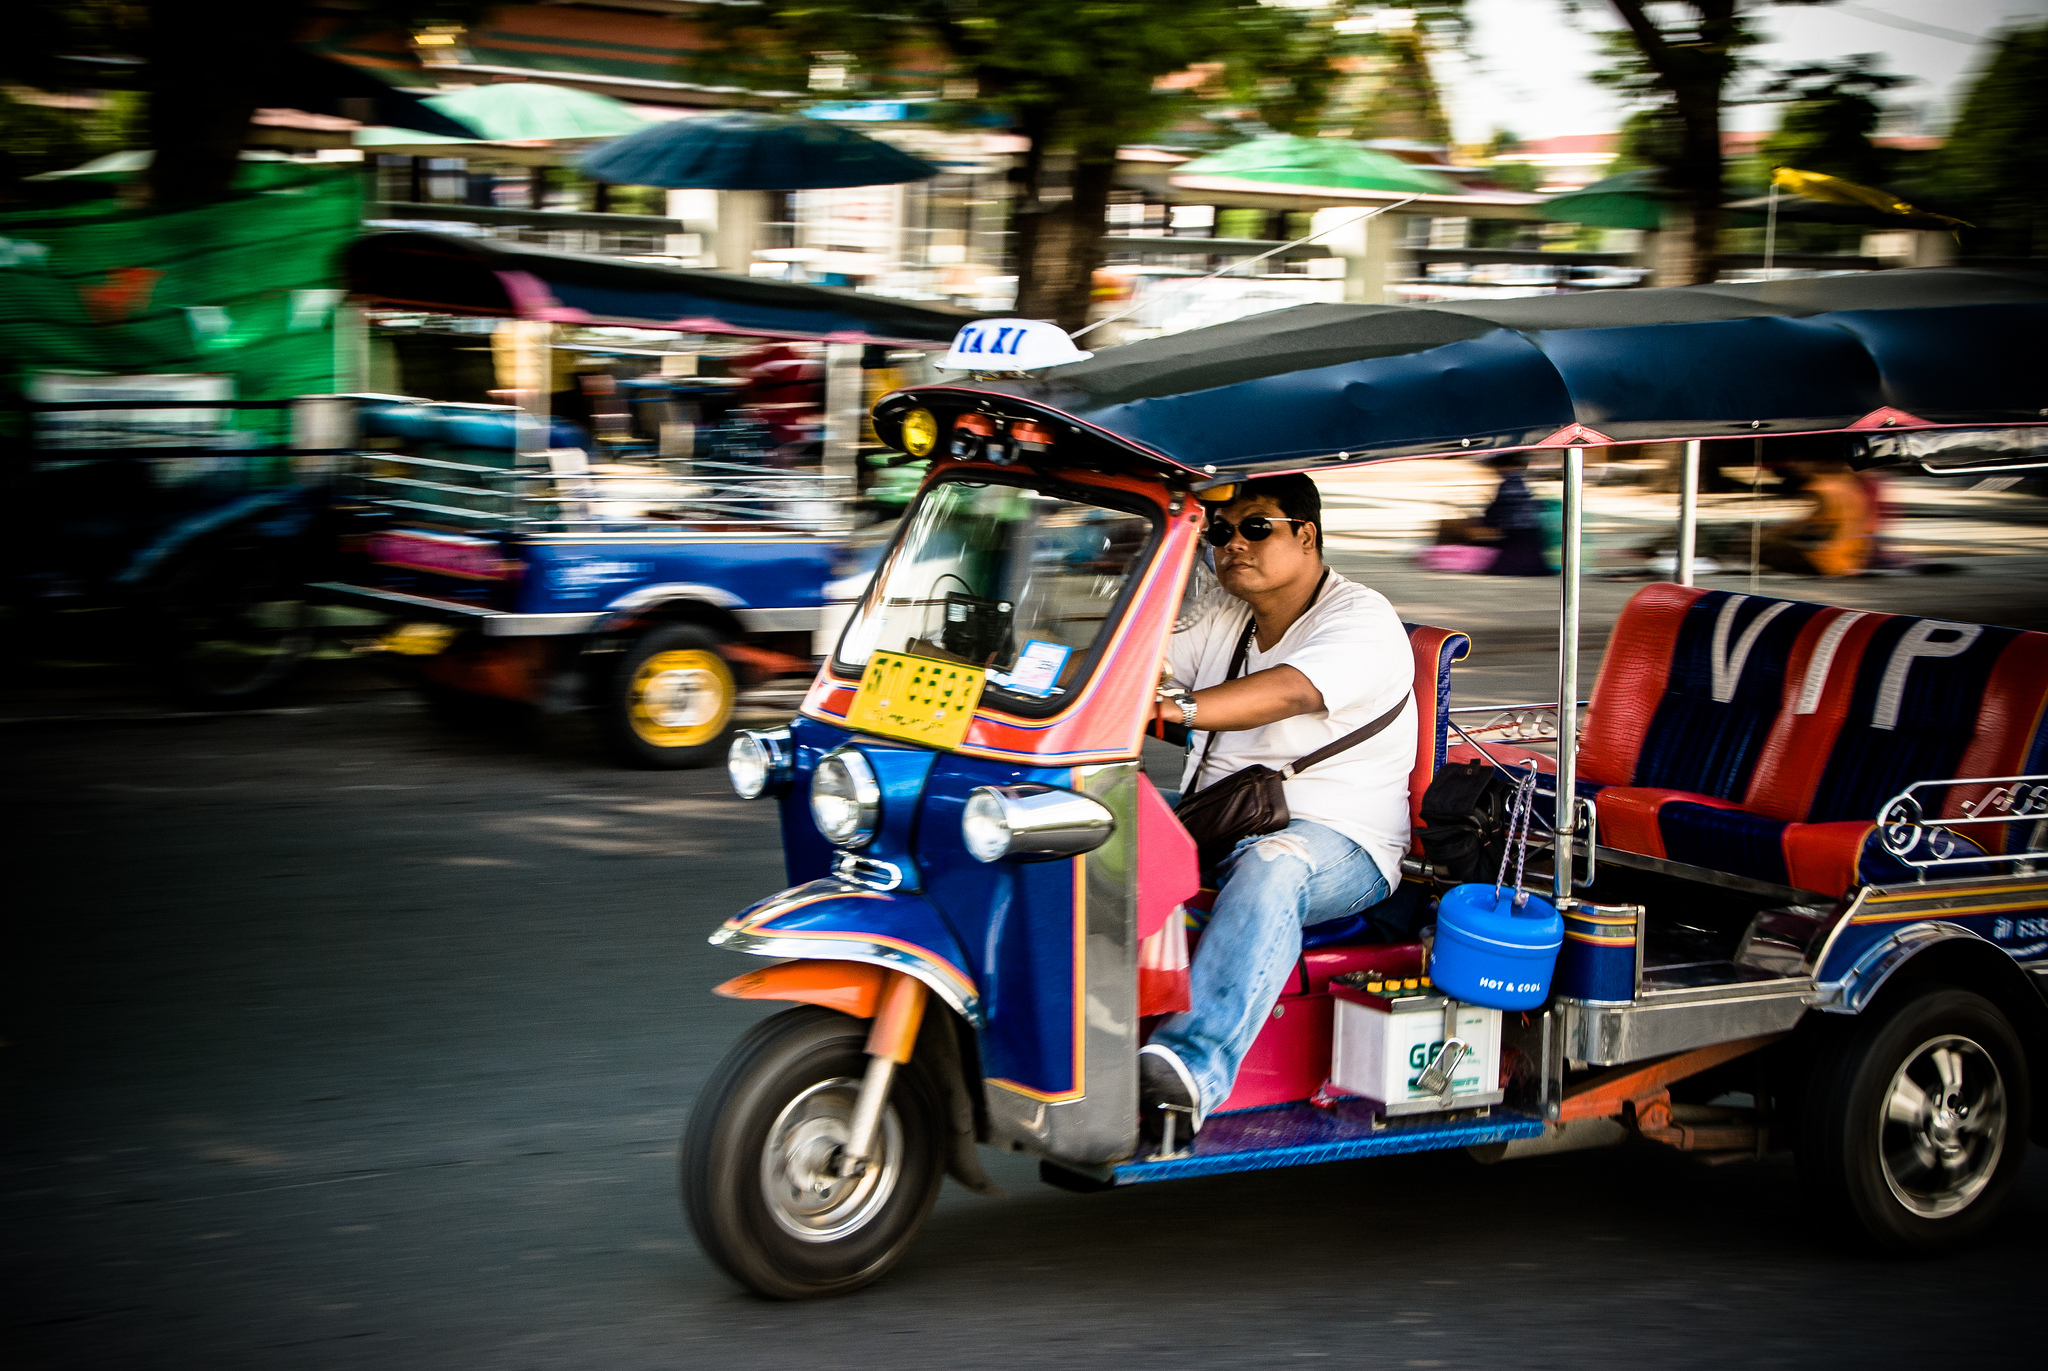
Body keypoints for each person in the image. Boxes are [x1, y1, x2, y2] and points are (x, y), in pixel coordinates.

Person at [1141, 474, 1416, 1143]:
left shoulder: (1361, 618)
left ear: (1306, 535)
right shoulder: (1224, 615)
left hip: (1340, 843)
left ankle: (1192, 1067)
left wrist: (1179, 709)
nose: (1234, 544)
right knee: (1098, 813)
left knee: (1273, 863)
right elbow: (1144, 660)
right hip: (1223, 818)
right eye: (1221, 532)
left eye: (1256, 527)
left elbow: (1293, 690)